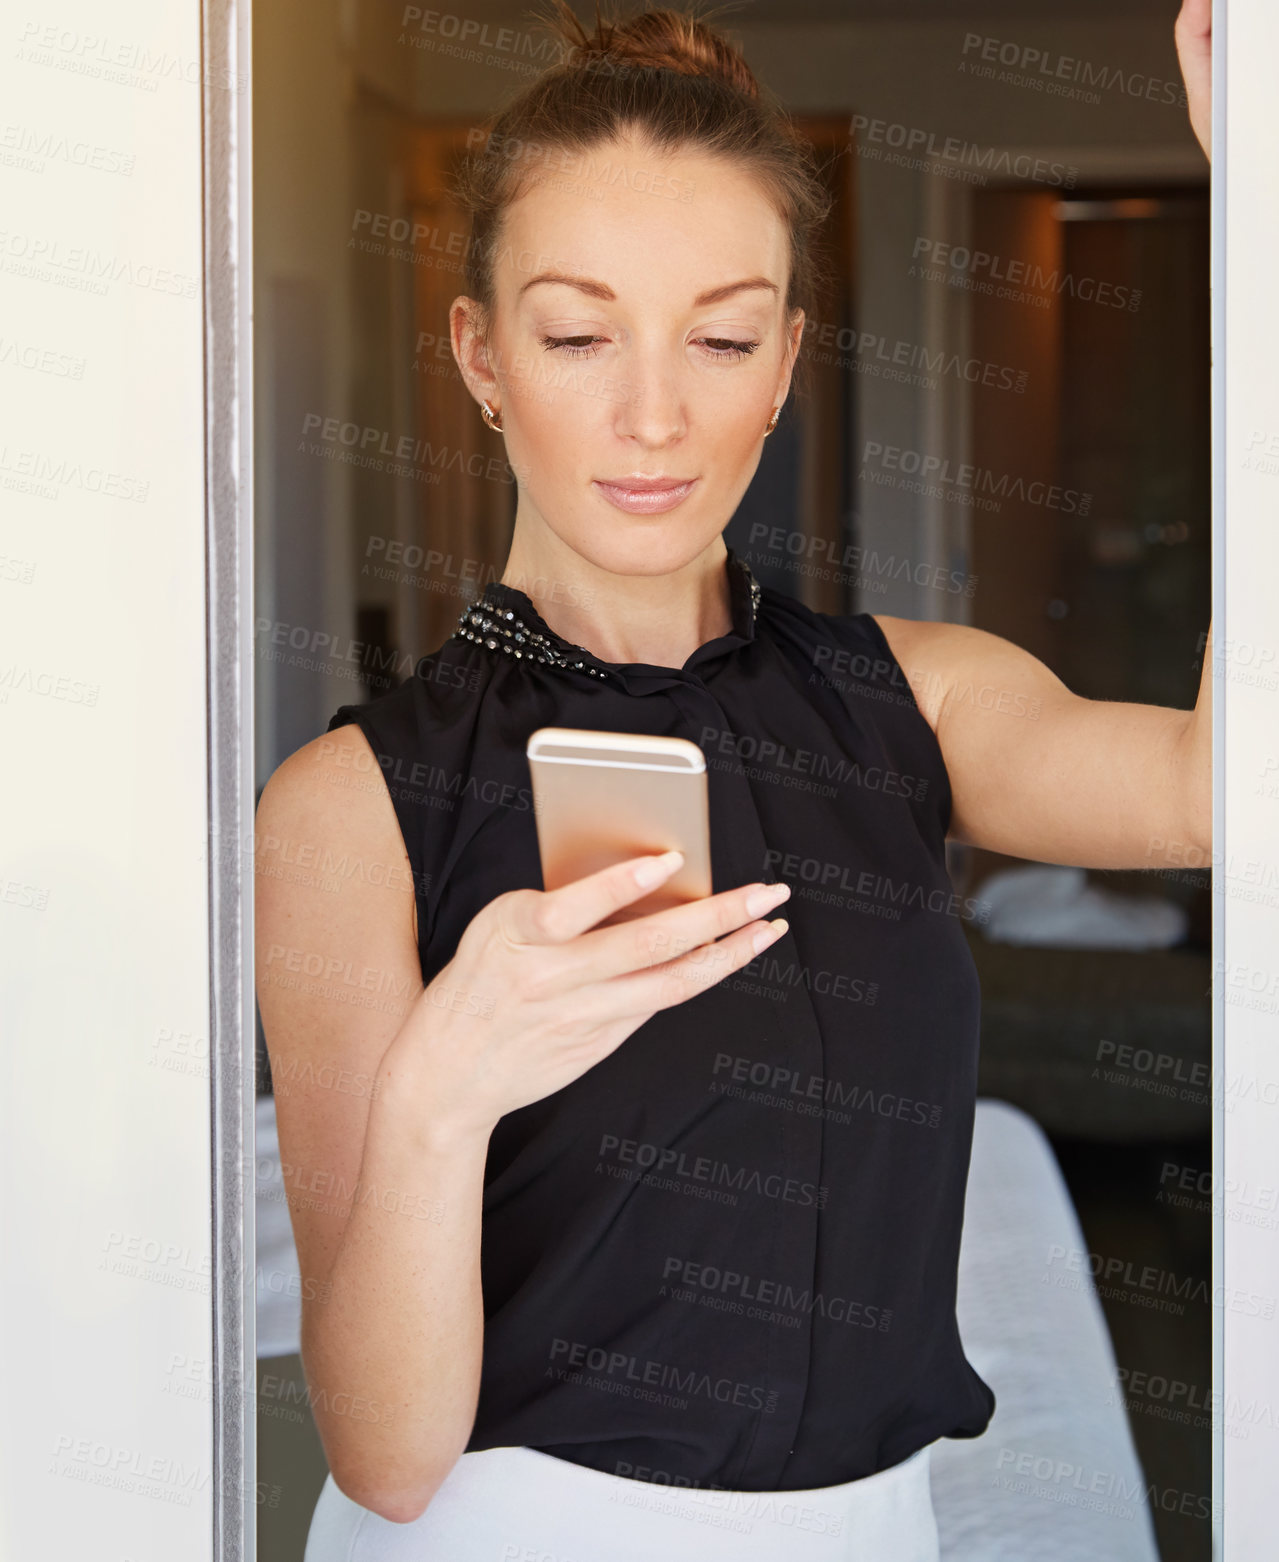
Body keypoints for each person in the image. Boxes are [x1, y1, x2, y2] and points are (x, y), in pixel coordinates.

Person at [255, 3, 1213, 1558]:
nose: (654, 415)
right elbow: (385, 1455)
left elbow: (1216, 791)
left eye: (719, 335)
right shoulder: (350, 804)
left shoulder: (919, 698)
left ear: (784, 363)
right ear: (482, 354)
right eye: (577, 335)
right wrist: (446, 1087)